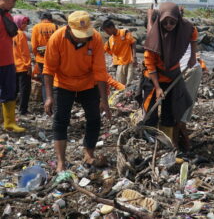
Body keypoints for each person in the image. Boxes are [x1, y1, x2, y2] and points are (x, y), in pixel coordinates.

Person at [43, 11, 111, 172]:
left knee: (94, 119)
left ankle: (89, 154)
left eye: (85, 34)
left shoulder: (95, 38)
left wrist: (104, 101)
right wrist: (49, 97)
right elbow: (48, 69)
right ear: (68, 28)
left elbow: (100, 71)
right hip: (63, 83)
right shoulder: (56, 38)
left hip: (88, 83)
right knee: (60, 120)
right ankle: (61, 161)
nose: (83, 37)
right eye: (79, 34)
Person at [139, 2, 198, 149]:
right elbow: (150, 65)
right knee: (150, 113)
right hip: (153, 80)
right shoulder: (153, 39)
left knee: (170, 112)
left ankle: (167, 142)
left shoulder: (184, 30)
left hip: (172, 76)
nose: (169, 25)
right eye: (166, 22)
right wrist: (158, 88)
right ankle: (150, 141)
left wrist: (192, 57)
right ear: (160, 21)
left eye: (173, 22)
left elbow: (193, 35)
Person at [0, 0, 26, 132]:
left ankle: (9, 122)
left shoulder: (7, 16)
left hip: (9, 61)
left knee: (10, 90)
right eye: (13, 1)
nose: (14, 4)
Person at [31, 12, 58, 103]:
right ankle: (56, 102)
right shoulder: (55, 26)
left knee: (44, 82)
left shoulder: (36, 27)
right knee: (55, 81)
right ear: (50, 19)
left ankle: (47, 103)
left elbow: (34, 45)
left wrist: (37, 56)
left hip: (41, 59)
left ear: (41, 18)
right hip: (54, 58)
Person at [102, 19, 137, 86]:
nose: (106, 33)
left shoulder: (124, 33)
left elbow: (133, 42)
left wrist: (134, 56)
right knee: (120, 84)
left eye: (107, 30)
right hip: (119, 64)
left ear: (112, 27)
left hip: (129, 61)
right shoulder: (110, 39)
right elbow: (103, 50)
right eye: (105, 31)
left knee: (129, 83)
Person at [13, 15, 32, 115]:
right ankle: (23, 110)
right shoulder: (21, 34)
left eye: (26, 23)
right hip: (22, 67)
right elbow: (24, 52)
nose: (25, 25)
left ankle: (10, 109)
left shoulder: (10, 33)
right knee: (25, 89)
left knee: (14, 89)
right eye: (23, 23)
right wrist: (28, 66)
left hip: (12, 66)